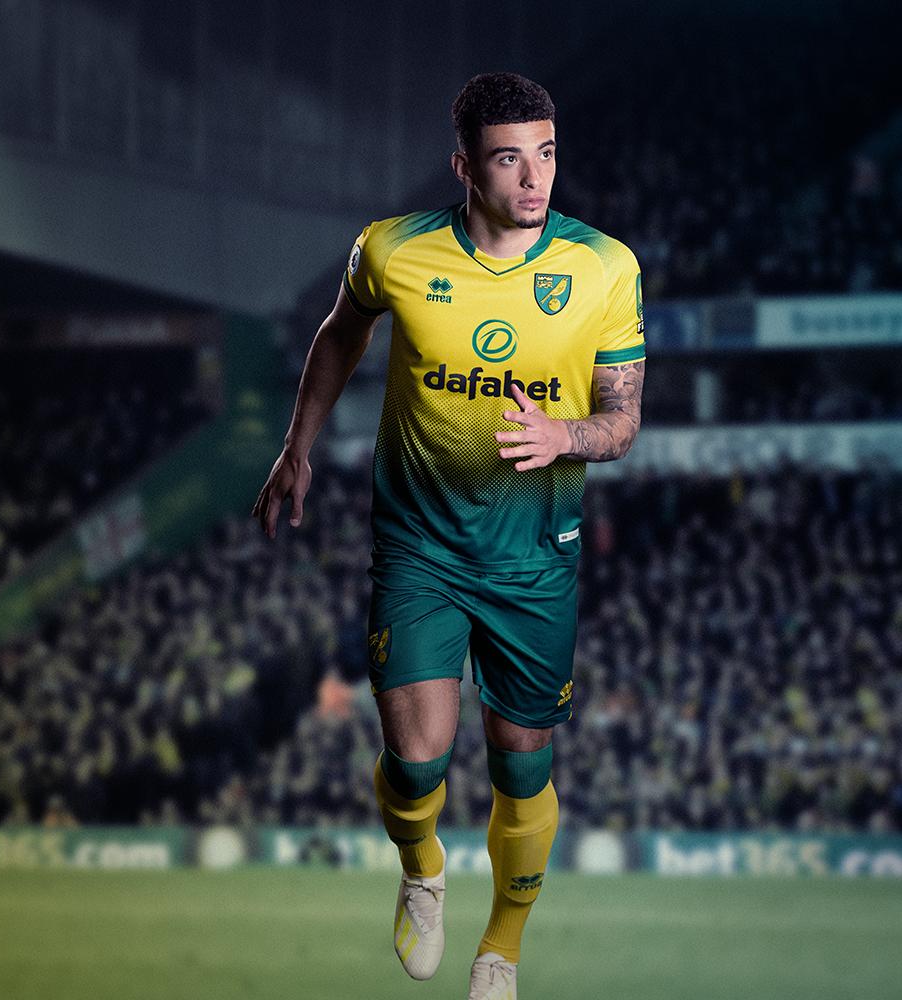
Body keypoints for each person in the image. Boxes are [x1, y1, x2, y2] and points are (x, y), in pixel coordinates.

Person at [252, 71, 645, 1000]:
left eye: (547, 154)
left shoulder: (605, 267)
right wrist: (296, 446)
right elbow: (339, 334)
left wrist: (565, 435)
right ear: (465, 166)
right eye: (510, 159)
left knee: (521, 770)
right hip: (420, 547)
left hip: (535, 557)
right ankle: (422, 870)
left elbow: (622, 420)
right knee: (416, 763)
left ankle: (500, 948)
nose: (535, 178)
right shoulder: (393, 250)